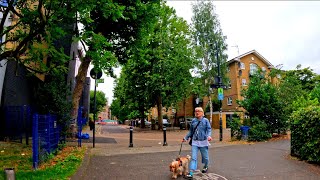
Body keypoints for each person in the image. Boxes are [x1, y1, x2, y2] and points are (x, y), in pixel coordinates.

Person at [182, 107, 212, 179]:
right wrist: (185, 138)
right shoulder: (193, 121)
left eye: (198, 111)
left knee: (205, 157)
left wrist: (209, 136)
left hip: (203, 142)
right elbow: (191, 131)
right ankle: (191, 173)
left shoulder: (205, 120)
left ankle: (206, 166)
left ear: (202, 112)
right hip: (195, 142)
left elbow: (209, 129)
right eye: (196, 111)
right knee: (193, 158)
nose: (197, 112)